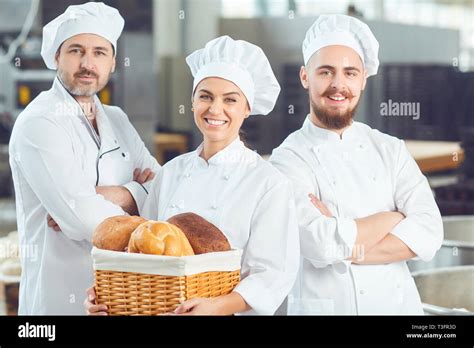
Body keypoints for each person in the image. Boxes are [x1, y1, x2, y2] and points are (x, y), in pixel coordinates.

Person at [85, 35, 300, 315]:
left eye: (230, 100)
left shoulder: (268, 183)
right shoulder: (171, 172)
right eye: (206, 96)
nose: (215, 109)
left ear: (247, 109)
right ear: (193, 100)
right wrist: (104, 294)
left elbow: (272, 275)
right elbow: (139, 252)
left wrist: (214, 307)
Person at [269, 14, 443, 314]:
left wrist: (342, 245)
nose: (339, 85)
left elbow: (430, 233)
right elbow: (317, 243)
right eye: (326, 72)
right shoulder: (287, 158)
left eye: (350, 73)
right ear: (304, 77)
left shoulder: (391, 150)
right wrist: (393, 218)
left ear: (363, 79)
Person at [9, 2, 160, 315]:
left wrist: (118, 195)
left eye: (100, 52)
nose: (88, 63)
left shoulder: (117, 119)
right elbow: (84, 221)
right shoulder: (40, 122)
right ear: (56, 57)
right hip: (59, 298)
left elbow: (163, 191)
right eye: (76, 50)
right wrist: (139, 198)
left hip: (121, 296)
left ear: (113, 63)